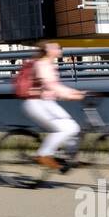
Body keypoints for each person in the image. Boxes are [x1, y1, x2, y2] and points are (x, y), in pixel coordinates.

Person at [22, 40, 84, 169]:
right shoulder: (42, 65)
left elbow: (55, 87)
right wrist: (72, 95)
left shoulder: (49, 65)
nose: (60, 50)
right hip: (36, 103)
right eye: (57, 48)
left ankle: (69, 158)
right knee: (63, 129)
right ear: (49, 51)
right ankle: (43, 155)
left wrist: (75, 93)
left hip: (47, 103)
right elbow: (51, 85)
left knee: (74, 127)